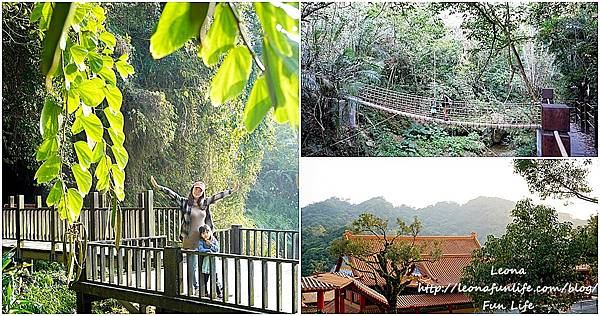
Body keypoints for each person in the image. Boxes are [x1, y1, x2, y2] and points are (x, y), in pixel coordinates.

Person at [149, 176, 236, 290]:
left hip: (203, 239)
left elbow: (217, 196)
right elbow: (173, 194)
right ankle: (195, 288)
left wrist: (231, 190)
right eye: (196, 189)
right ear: (192, 189)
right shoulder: (185, 203)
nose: (197, 191)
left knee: (207, 264)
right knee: (192, 266)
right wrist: (158, 187)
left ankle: (213, 288)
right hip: (190, 239)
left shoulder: (204, 203)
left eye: (200, 190)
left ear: (202, 193)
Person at [198, 224, 223, 299]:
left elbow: (217, 250)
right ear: (201, 235)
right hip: (206, 262)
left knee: (215, 278)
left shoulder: (213, 240)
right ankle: (205, 292)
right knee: (205, 278)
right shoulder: (201, 241)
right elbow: (200, 249)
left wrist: (211, 245)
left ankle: (218, 292)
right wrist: (208, 250)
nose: (205, 234)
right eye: (203, 233)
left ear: (210, 232)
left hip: (213, 262)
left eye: (207, 232)